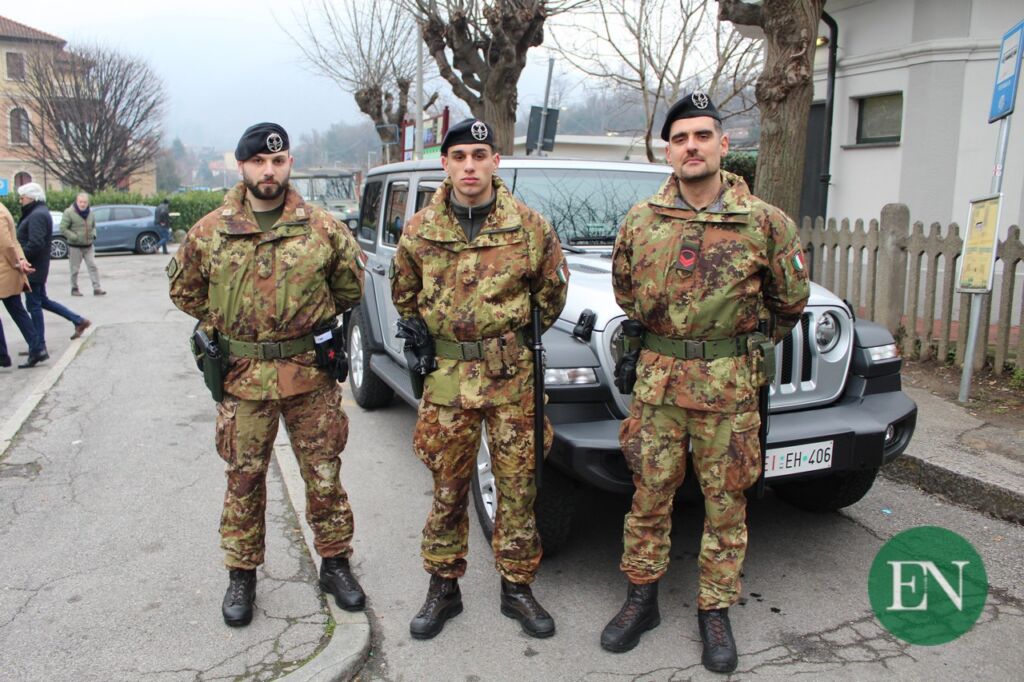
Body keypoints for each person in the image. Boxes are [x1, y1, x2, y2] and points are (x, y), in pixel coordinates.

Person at [601, 92, 810, 672]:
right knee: (649, 496)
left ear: (724, 143)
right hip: (659, 387)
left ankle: (714, 610)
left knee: (726, 503)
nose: (691, 147)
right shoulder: (641, 221)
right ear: (668, 151)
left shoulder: (765, 222)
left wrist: (734, 351)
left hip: (728, 390)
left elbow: (789, 303)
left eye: (701, 136)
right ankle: (641, 599)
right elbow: (626, 293)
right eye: (680, 139)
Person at [168, 122, 369, 628]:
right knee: (244, 478)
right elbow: (185, 291)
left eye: (277, 161)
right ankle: (242, 574)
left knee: (323, 474)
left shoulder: (322, 228)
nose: (268, 170)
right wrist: (231, 322)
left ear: (289, 164)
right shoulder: (210, 231)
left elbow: (349, 289)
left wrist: (303, 322)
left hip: (309, 377)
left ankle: (336, 563)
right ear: (242, 166)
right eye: (258, 162)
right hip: (242, 378)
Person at [390, 118, 569, 641]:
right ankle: (443, 586)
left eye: (480, 155)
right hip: (448, 380)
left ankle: (517, 587)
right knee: (447, 489)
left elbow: (551, 295)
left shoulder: (530, 227)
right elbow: (405, 295)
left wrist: (504, 342)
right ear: (445, 164)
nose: (470, 165)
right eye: (460, 156)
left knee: (517, 488)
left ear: (495, 161)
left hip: (511, 380)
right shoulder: (420, 229)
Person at [16, 182, 91, 368]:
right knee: (41, 301)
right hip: (37, 267)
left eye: (22, 197)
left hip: (34, 268)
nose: (20, 201)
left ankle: (38, 346)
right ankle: (77, 320)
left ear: (31, 197)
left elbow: (36, 243)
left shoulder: (37, 215)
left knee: (34, 305)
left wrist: (20, 258)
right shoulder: (38, 212)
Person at [0, 202, 43, 368]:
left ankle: (5, 354)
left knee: (18, 311)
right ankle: (36, 348)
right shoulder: (3, 209)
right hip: (7, 270)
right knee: (18, 311)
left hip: (4, 270)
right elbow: (14, 241)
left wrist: (17, 263)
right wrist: (22, 260)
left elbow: (7, 244)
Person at [60, 192, 106, 296]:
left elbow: (93, 226)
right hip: (75, 246)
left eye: (85, 202)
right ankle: (74, 288)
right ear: (77, 202)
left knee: (93, 266)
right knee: (75, 269)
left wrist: (94, 234)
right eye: (80, 202)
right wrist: (73, 237)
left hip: (88, 246)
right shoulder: (69, 212)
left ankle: (97, 288)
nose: (83, 204)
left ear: (87, 203)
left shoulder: (91, 213)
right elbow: (63, 228)